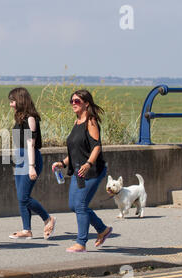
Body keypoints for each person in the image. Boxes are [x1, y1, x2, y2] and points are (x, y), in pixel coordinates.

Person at [51, 89, 112, 252]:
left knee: (81, 205)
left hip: (91, 171)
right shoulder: (77, 123)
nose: (73, 104)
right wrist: (62, 164)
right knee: (74, 205)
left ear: (86, 103)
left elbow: (96, 147)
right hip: (78, 171)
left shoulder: (90, 121)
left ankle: (81, 242)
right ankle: (103, 229)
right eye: (71, 101)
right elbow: (75, 152)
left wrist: (89, 164)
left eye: (77, 101)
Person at [8, 87, 56, 240]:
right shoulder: (19, 117)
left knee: (24, 197)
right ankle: (26, 229)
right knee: (21, 196)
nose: (11, 104)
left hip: (30, 158)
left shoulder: (30, 118)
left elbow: (31, 144)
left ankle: (48, 219)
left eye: (12, 101)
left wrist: (31, 167)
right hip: (21, 158)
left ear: (20, 101)